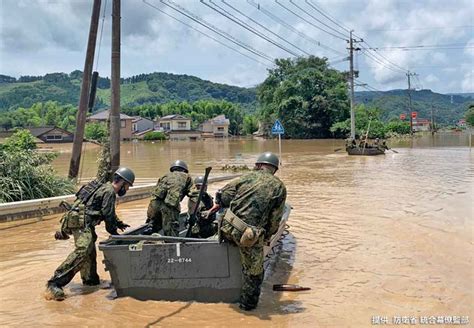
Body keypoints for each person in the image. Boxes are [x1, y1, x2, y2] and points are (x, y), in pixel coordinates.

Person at [205, 152, 287, 311]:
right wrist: (266, 237)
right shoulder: (279, 187)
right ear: (274, 169)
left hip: (227, 230)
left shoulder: (244, 177)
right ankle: (247, 308)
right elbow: (275, 220)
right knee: (255, 274)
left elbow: (223, 196)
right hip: (247, 238)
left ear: (258, 165)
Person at [45, 167, 135, 301]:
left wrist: (118, 223)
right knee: (83, 250)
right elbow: (107, 215)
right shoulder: (110, 192)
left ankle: (90, 282)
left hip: (82, 222)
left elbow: (105, 211)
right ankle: (55, 283)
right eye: (127, 186)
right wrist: (115, 233)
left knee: (90, 253)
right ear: (122, 182)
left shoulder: (104, 188)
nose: (127, 189)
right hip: (81, 223)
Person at [146, 160, 193, 236]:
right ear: (185, 170)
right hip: (170, 207)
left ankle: (150, 228)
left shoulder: (164, 176)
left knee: (154, 227)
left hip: (154, 206)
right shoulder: (187, 177)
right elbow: (194, 196)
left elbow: (154, 195)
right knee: (172, 233)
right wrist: (192, 215)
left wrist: (151, 216)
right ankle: (172, 245)